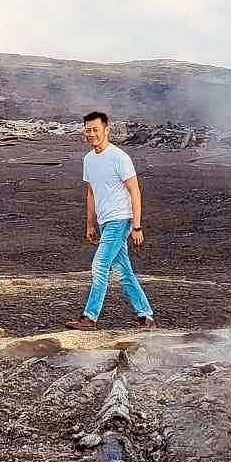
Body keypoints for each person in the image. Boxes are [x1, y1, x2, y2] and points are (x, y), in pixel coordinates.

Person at [68, 111, 155, 330]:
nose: (92, 134)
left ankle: (89, 317)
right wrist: (90, 224)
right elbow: (91, 193)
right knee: (124, 271)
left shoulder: (119, 157)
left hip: (120, 219)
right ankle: (146, 317)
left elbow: (134, 190)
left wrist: (137, 226)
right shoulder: (88, 159)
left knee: (99, 264)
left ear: (107, 130)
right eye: (88, 130)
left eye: (96, 130)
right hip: (105, 222)